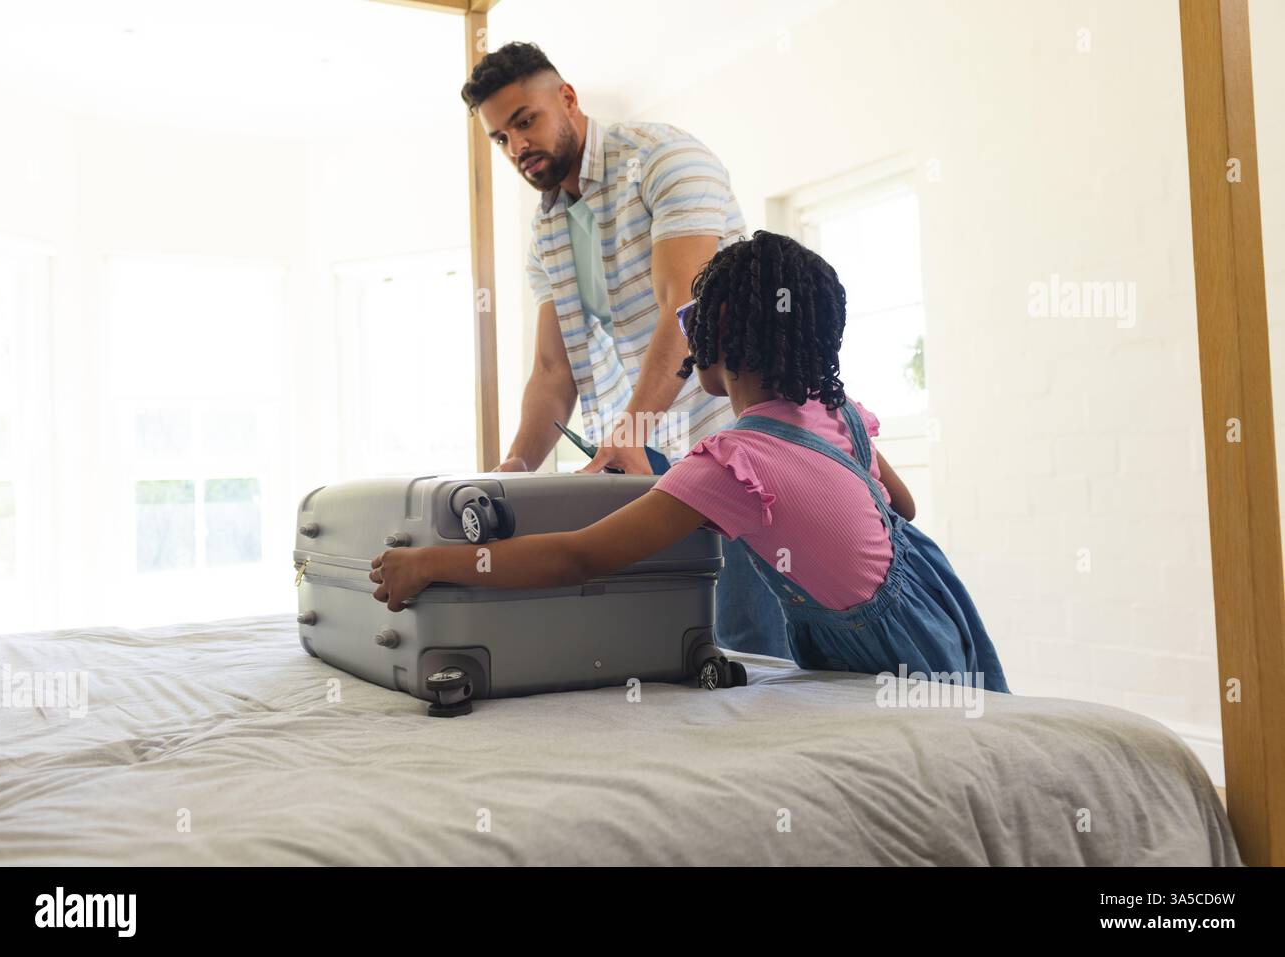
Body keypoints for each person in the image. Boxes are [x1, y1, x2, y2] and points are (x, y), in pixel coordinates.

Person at [372, 232, 1011, 693]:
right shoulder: (837, 409)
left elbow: (580, 557)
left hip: (887, 659)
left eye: (690, 317)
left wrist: (431, 561)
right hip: (936, 613)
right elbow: (903, 508)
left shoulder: (733, 465)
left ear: (718, 329)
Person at [459, 41, 786, 656]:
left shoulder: (665, 159)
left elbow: (683, 308)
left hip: (741, 440)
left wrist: (630, 428)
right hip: (654, 460)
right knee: (682, 643)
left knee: (755, 645)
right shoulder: (548, 229)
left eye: (524, 121)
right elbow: (554, 371)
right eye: (500, 138)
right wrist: (515, 471)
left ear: (567, 98)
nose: (517, 146)